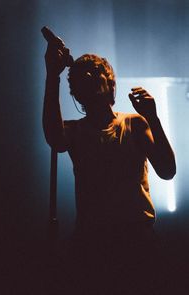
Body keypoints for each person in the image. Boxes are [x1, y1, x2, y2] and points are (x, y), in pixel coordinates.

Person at [43, 43, 176, 294]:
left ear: (111, 84)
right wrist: (52, 75)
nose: (90, 77)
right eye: (84, 75)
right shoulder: (74, 131)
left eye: (95, 71)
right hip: (94, 242)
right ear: (78, 92)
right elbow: (54, 138)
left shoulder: (134, 123)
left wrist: (153, 118)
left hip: (137, 240)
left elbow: (167, 170)